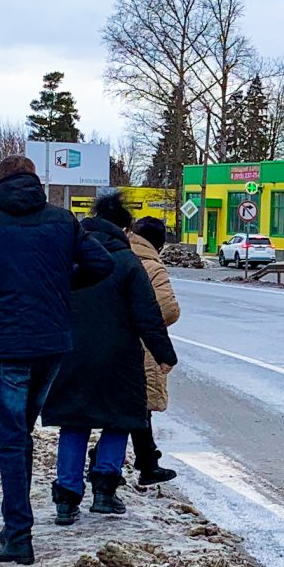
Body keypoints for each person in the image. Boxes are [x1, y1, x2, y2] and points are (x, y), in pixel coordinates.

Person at [0, 155, 112, 564]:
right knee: (21, 430)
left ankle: (18, 535)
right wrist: (59, 284)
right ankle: (16, 531)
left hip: (8, 342)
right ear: (35, 181)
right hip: (52, 343)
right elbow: (101, 263)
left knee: (11, 439)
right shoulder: (62, 220)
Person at [42, 191, 178, 524]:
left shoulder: (68, 257)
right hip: (119, 358)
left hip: (69, 354)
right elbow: (147, 314)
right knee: (118, 421)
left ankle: (67, 498)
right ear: (123, 228)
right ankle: (104, 492)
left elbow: (46, 303)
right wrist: (164, 355)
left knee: (74, 424)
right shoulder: (128, 261)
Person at [126, 215, 181, 486]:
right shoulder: (152, 267)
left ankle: (147, 460)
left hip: (111, 344)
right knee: (137, 405)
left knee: (133, 406)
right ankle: (104, 461)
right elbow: (168, 309)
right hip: (142, 345)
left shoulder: (115, 255)